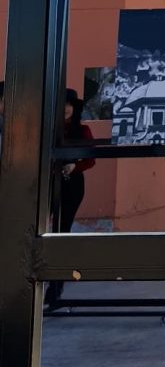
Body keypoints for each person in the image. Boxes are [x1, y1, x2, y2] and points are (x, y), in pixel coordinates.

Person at [46, 90, 96, 306]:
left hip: (72, 184)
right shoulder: (49, 129)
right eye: (63, 104)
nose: (66, 108)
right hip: (47, 183)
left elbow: (91, 158)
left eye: (70, 104)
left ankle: (56, 285)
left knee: (62, 229)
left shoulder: (82, 130)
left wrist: (75, 166)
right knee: (45, 228)